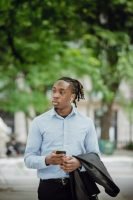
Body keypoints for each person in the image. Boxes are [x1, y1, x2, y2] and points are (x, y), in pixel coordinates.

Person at [24, 77, 100, 200]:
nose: (55, 95)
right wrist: (47, 160)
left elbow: (95, 156)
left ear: (72, 97)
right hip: (49, 190)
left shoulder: (86, 123)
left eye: (61, 92)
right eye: (53, 91)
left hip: (81, 186)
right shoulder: (38, 122)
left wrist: (79, 163)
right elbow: (28, 159)